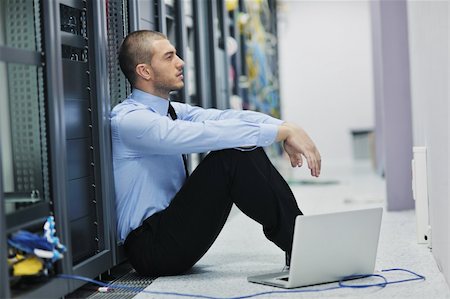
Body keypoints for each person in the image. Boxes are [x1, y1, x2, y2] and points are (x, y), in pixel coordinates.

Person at [111, 30, 321, 277]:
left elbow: (225, 117)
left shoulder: (171, 110)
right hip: (151, 247)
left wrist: (286, 126)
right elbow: (208, 134)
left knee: (240, 147)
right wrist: (281, 133)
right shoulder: (130, 121)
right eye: (169, 57)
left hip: (172, 230)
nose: (181, 62)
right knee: (232, 157)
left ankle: (304, 245)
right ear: (145, 71)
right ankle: (306, 248)